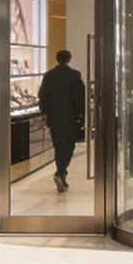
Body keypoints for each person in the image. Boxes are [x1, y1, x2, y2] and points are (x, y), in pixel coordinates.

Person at [38, 50, 85, 193]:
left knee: (58, 146)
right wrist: (81, 114)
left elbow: (42, 95)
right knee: (69, 146)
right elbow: (79, 97)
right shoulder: (74, 75)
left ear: (57, 59)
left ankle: (61, 174)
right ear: (69, 59)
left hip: (54, 117)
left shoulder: (49, 75)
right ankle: (61, 172)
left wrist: (44, 112)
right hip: (70, 118)